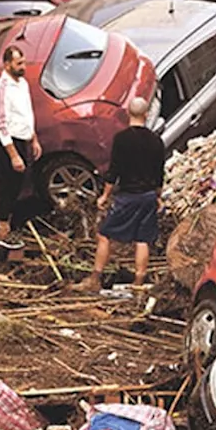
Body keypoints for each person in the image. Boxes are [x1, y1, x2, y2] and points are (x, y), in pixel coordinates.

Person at [72, 97, 165, 293]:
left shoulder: (122, 139)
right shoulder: (156, 141)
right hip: (148, 196)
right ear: (146, 114)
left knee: (104, 235)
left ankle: (95, 278)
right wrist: (158, 196)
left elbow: (114, 171)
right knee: (143, 239)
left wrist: (105, 196)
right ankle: (138, 284)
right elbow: (159, 174)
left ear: (128, 114)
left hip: (128, 197)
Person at [0, 46, 42, 250]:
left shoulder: (22, 84)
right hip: (6, 144)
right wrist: (14, 155)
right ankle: (1, 231)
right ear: (7, 64)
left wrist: (33, 138)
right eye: (18, 64)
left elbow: (26, 114)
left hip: (22, 139)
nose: (23, 67)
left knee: (18, 186)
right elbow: (1, 125)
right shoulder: (1, 90)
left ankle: (9, 226)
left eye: (23, 62)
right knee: (8, 188)